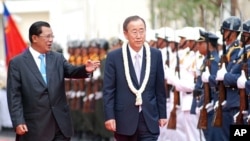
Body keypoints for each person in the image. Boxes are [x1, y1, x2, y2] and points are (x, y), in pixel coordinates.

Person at [7, 21, 100, 141]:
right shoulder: (18, 63)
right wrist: (18, 121)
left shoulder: (57, 58)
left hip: (60, 125)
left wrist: (85, 69)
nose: (51, 40)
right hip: (35, 127)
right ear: (34, 38)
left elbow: (71, 71)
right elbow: (14, 96)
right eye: (47, 36)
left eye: (52, 36)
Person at [102, 15, 167, 141]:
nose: (139, 36)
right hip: (124, 120)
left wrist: (162, 114)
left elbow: (159, 88)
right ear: (126, 34)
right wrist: (110, 116)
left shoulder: (155, 55)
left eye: (141, 31)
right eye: (134, 31)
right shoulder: (114, 57)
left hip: (148, 118)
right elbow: (108, 90)